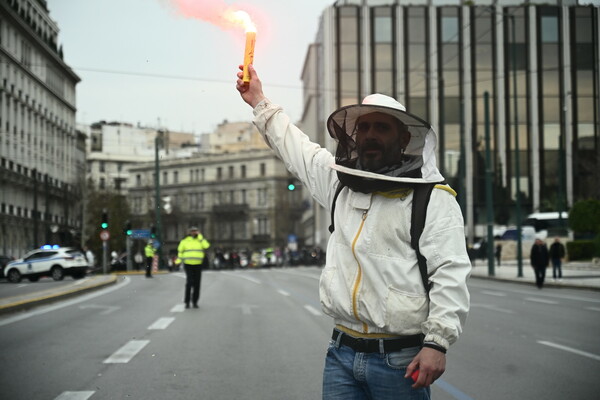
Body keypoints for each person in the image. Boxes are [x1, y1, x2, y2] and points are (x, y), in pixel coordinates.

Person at [236, 65, 471, 398]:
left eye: (381, 127)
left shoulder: (431, 197)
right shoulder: (339, 186)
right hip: (341, 353)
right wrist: (258, 99)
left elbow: (451, 272)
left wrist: (438, 343)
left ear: (403, 138)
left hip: (400, 359)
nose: (370, 134)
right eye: (363, 127)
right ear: (353, 135)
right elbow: (297, 148)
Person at [176, 226, 211, 308]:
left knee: (197, 284)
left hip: (198, 264)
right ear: (189, 232)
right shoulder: (184, 241)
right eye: (192, 231)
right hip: (188, 264)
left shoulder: (200, 240)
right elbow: (180, 252)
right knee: (189, 282)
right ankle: (187, 301)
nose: (193, 232)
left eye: (195, 231)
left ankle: (195, 301)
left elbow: (206, 246)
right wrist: (178, 261)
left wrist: (201, 237)